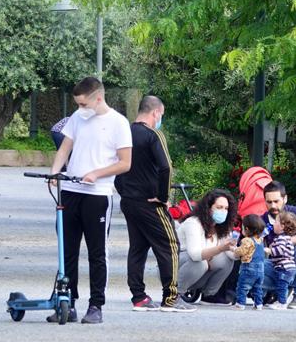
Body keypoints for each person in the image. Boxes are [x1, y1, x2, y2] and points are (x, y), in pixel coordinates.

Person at [49, 77, 132, 325]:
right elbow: (64, 148)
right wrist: (55, 172)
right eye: (77, 104)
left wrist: (97, 173)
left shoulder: (118, 123)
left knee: (97, 252)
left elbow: (125, 163)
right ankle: (68, 301)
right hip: (71, 190)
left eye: (83, 104)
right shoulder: (77, 118)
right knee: (67, 250)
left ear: (98, 98)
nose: (80, 108)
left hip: (97, 194)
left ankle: (96, 305)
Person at [117, 96, 194, 313]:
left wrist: (124, 191)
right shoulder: (153, 135)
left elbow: (118, 165)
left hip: (129, 200)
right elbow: (166, 167)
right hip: (150, 202)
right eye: (161, 115)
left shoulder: (125, 132)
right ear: (156, 113)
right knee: (170, 244)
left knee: (138, 247)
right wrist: (162, 196)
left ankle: (138, 297)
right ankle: (171, 298)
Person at [260, 180, 296, 309]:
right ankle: (273, 292)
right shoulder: (262, 220)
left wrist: (279, 244)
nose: (273, 205)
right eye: (269, 202)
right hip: (278, 268)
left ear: (285, 199)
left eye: (276, 201)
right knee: (252, 264)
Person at [176, 188, 238, 305]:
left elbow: (231, 253)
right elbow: (195, 255)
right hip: (178, 265)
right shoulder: (193, 223)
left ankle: (209, 295)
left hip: (199, 268)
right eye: (219, 207)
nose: (223, 212)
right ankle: (174, 294)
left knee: (227, 259)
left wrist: (242, 252)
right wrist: (219, 249)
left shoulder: (221, 227)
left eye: (226, 208)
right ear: (208, 208)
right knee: (199, 263)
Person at [264, 211, 296, 309]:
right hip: (287, 268)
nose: (273, 224)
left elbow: (280, 250)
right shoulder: (286, 238)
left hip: (284, 268)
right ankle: (280, 301)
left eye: (276, 222)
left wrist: (270, 250)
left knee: (281, 286)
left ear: (282, 226)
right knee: (281, 285)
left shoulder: (282, 238)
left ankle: (282, 303)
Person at [232, 214, 266, 310]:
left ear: (246, 229)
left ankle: (240, 304)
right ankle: (258, 304)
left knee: (242, 286)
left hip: (249, 268)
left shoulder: (247, 240)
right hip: (261, 270)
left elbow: (241, 251)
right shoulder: (260, 240)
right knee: (257, 288)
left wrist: (234, 249)